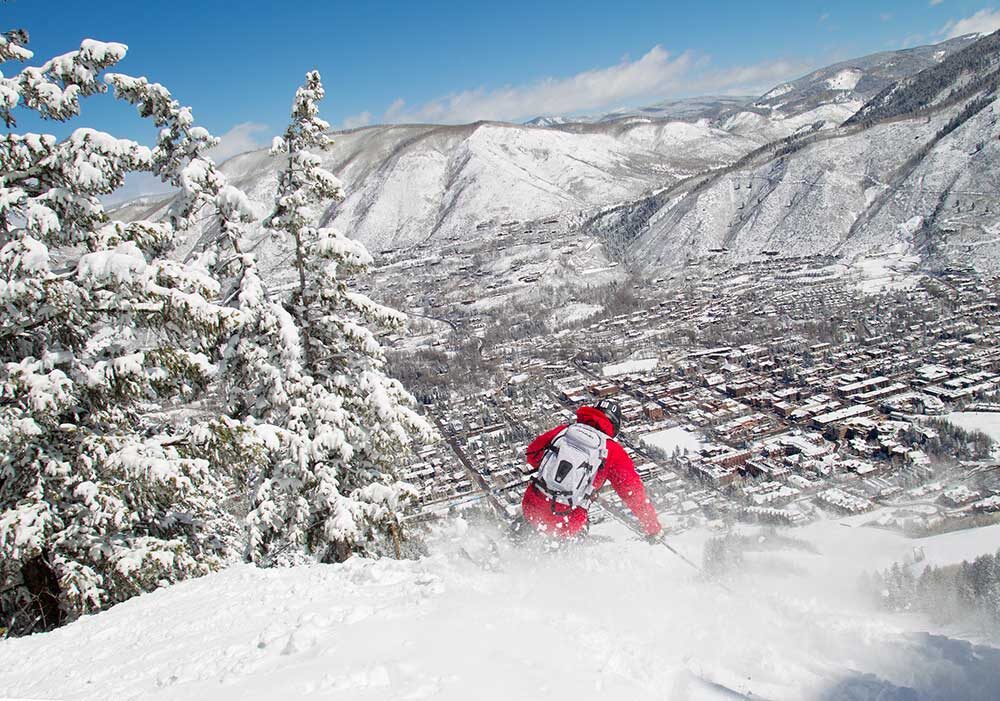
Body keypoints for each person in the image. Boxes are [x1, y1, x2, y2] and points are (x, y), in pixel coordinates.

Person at [520, 399, 662, 540]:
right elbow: (633, 494)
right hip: (567, 523)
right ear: (615, 425)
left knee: (514, 544)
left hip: (532, 507)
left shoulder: (565, 431)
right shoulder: (613, 451)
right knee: (563, 555)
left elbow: (532, 454)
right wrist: (652, 527)